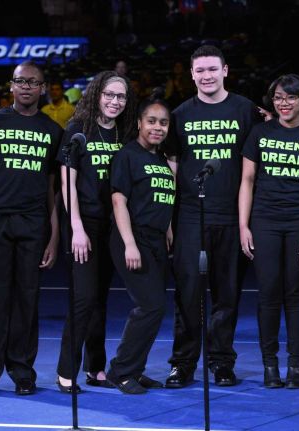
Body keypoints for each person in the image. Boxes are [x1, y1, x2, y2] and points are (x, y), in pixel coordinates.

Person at [163, 45, 262, 388]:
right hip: (191, 216)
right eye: (199, 71)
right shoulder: (178, 115)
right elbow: (172, 167)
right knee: (188, 293)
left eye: (211, 69)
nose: (206, 76)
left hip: (232, 217)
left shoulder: (245, 109)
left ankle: (221, 362)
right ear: (191, 75)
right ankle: (182, 363)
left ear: (225, 71)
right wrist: (170, 221)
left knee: (227, 294)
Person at [0, 61, 62, 398]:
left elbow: (53, 189)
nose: (25, 86)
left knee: (26, 301)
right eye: (20, 81)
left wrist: (54, 234)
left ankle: (23, 372)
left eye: (32, 82)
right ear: (11, 86)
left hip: (33, 225)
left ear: (42, 88)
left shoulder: (52, 131)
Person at [239, 74, 299, 389]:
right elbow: (247, 181)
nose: (284, 103)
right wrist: (243, 225)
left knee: (295, 295)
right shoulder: (259, 133)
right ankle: (269, 365)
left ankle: (296, 365)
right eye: (278, 97)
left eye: (290, 97)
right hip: (264, 222)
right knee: (268, 295)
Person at [55, 71, 137, 392]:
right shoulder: (78, 131)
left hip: (111, 226)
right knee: (84, 298)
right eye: (109, 95)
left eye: (121, 97)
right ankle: (66, 371)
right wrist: (75, 226)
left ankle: (96, 368)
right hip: (83, 225)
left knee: (100, 299)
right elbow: (67, 181)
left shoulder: (124, 133)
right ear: (96, 96)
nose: (115, 102)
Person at [105, 95, 174, 394]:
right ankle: (120, 371)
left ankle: (135, 368)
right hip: (133, 238)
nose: (157, 127)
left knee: (155, 309)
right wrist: (129, 243)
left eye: (163, 122)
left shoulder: (159, 159)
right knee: (150, 305)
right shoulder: (127, 155)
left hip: (157, 239)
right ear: (139, 124)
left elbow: (162, 197)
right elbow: (118, 200)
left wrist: (169, 228)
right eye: (151, 121)